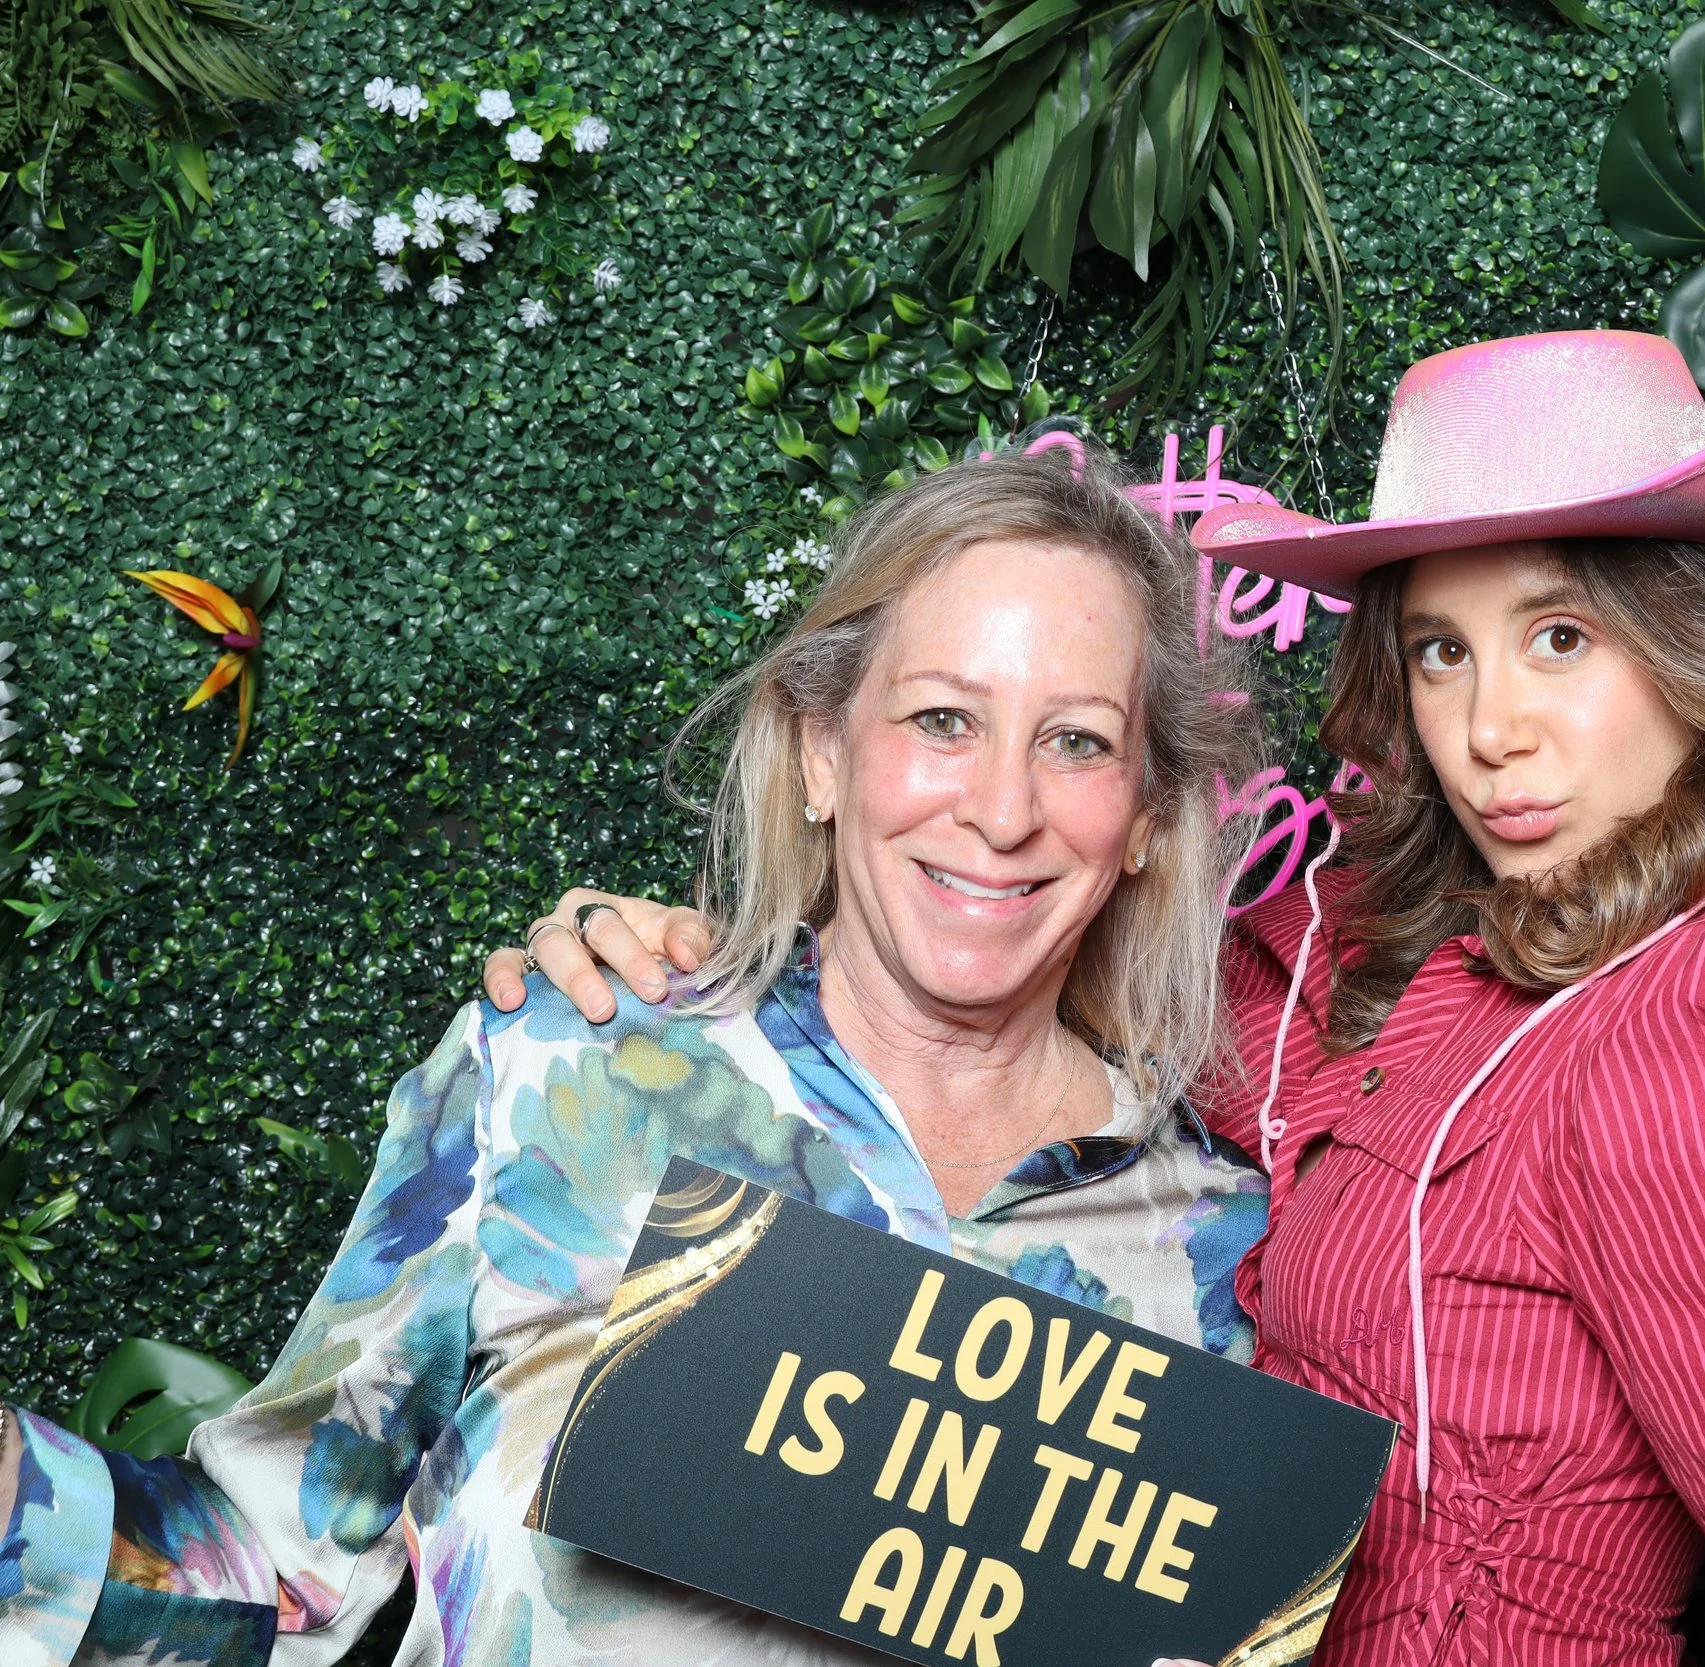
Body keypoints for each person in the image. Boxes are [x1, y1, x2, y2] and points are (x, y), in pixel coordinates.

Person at [488, 332, 1705, 1666]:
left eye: (1561, 639)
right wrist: (710, 958)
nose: (1490, 727)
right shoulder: (1374, 964)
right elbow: (1004, 919)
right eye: (1443, 648)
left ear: (1700, 645)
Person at [0, 451, 1273, 1665]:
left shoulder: (1220, 1240)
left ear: (1151, 817)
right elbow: (274, 1574)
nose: (1002, 811)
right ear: (823, 751)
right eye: (943, 718)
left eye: (1077, 741)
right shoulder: (566, 1065)